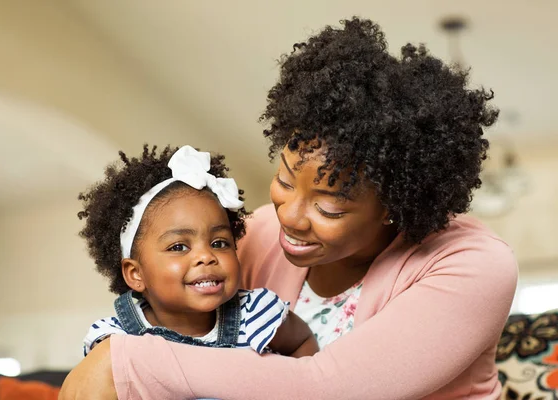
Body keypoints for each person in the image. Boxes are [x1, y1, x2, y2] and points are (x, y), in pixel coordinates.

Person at [59, 17, 518, 400]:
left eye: (329, 206)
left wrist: (128, 359)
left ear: (394, 206)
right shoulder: (253, 235)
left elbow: (331, 388)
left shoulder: (472, 264)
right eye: (284, 179)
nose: (290, 217)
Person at [77, 145, 318, 358]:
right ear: (135, 273)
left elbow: (303, 342)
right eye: (179, 247)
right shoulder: (116, 339)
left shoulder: (256, 314)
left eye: (219, 243)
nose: (206, 256)